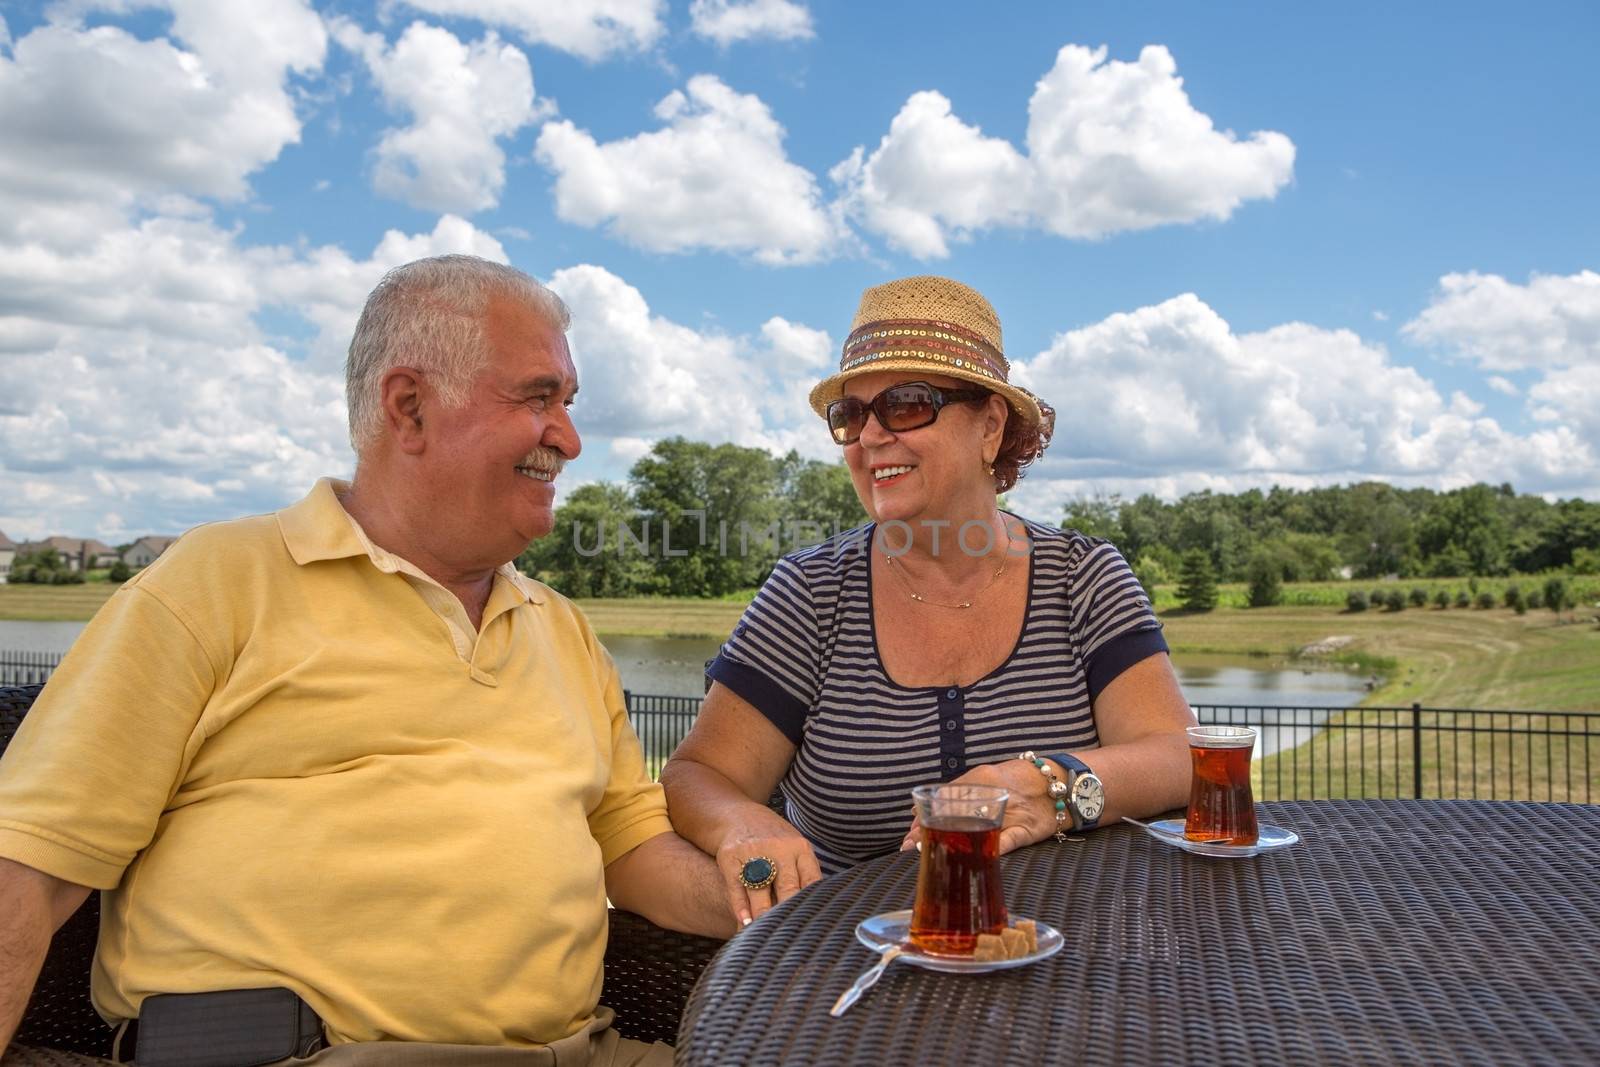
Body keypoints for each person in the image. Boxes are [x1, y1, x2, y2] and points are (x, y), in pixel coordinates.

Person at [0, 255, 733, 1066]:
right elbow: (28, 867)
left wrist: (764, 886)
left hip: (584, 1050)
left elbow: (631, 849)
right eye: (538, 397)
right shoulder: (218, 582)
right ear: (409, 408)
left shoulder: (562, 628)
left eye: (567, 401)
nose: (569, 436)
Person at [662, 275, 1196, 926]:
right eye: (851, 415)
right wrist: (742, 821)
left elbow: (1180, 756)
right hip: (851, 971)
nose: (870, 436)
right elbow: (698, 775)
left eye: (907, 404)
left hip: (1069, 961)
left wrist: (1043, 786)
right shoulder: (810, 592)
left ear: (991, 427)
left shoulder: (1080, 577)